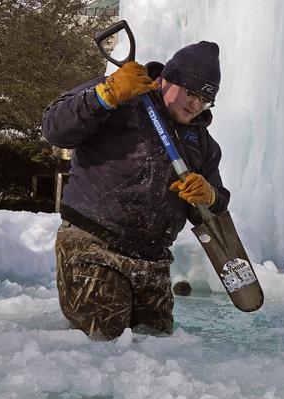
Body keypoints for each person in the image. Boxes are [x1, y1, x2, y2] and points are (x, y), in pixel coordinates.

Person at [41, 41, 230, 340]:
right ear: (167, 78)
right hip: (94, 246)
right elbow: (53, 128)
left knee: (157, 353)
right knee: (102, 346)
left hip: (153, 261)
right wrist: (104, 96)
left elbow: (216, 206)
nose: (196, 105)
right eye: (191, 93)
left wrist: (209, 196)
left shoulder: (203, 144)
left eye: (205, 101)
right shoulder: (122, 92)